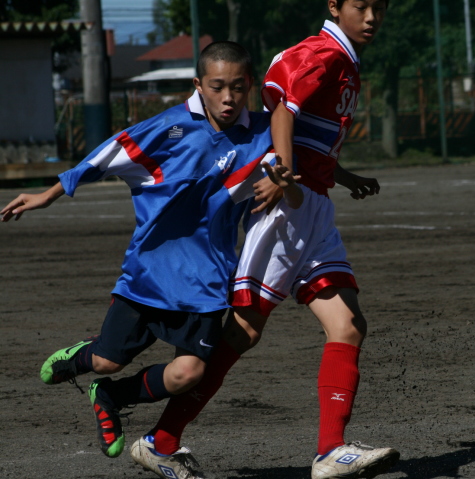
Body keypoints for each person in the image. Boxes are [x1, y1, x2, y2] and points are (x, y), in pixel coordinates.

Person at [131, 1, 399, 478]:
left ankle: (330, 452)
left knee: (348, 325)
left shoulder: (344, 59)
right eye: (361, 6)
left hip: (314, 206)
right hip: (288, 209)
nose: (372, 16)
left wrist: (343, 175)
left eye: (379, 7)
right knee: (243, 331)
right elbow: (282, 108)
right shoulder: (322, 53)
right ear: (335, 6)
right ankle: (160, 440)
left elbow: (309, 136)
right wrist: (283, 171)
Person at [0, 41, 301, 467]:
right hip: (148, 273)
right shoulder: (170, 126)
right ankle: (83, 358)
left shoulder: (264, 132)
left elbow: (296, 128)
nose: (228, 97)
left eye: (238, 87)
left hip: (206, 282)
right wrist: (49, 194)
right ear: (199, 85)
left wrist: (288, 177)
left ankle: (111, 396)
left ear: (250, 85)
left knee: (189, 373)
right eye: (217, 87)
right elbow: (107, 154)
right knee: (106, 360)